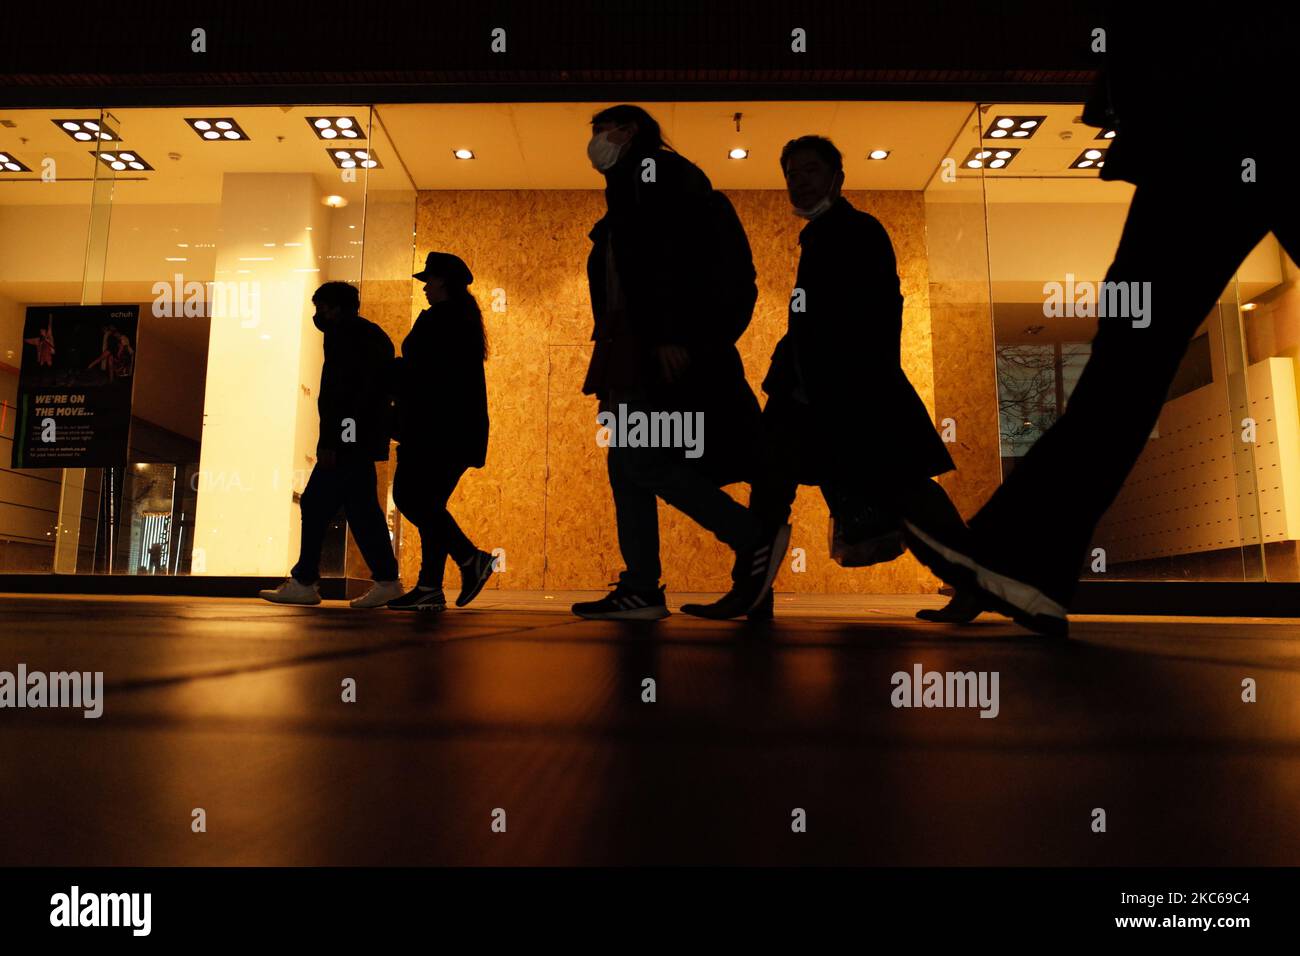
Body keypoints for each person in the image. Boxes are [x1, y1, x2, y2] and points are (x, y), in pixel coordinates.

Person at [901, 6, 1293, 638]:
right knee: (1130, 360)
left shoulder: (1216, 73)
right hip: (1226, 122)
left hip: (1214, 128)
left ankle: (1022, 559)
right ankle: (1024, 561)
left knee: (1129, 360)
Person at [683, 135, 971, 620]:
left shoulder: (853, 232)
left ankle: (974, 581)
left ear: (837, 177)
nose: (799, 182)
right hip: (817, 391)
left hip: (841, 391)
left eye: (810, 171)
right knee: (782, 487)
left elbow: (875, 315)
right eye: (792, 174)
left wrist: (836, 377)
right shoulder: (827, 234)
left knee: (901, 487)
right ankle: (752, 592)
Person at [570, 104, 789, 622]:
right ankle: (643, 585)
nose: (596, 140)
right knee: (627, 465)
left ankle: (752, 537)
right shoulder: (637, 182)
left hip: (651, 350)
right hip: (633, 349)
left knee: (639, 462)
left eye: (603, 130)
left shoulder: (656, 176)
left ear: (629, 131)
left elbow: (671, 263)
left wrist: (673, 335)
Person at [259, 281, 403, 608]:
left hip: (349, 442)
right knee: (360, 509)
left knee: (316, 502)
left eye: (320, 308)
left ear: (335, 308)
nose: (317, 315)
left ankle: (307, 581)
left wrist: (337, 442)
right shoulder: (368, 335)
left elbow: (350, 396)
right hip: (358, 440)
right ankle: (383, 579)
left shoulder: (346, 336)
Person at [387, 252, 497, 612]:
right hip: (452, 431)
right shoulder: (461, 320)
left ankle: (469, 559)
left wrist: (389, 374)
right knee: (430, 505)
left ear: (444, 282)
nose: (425, 288)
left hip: (434, 431)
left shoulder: (443, 321)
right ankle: (430, 585)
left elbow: (426, 376)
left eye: (429, 281)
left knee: (410, 497)